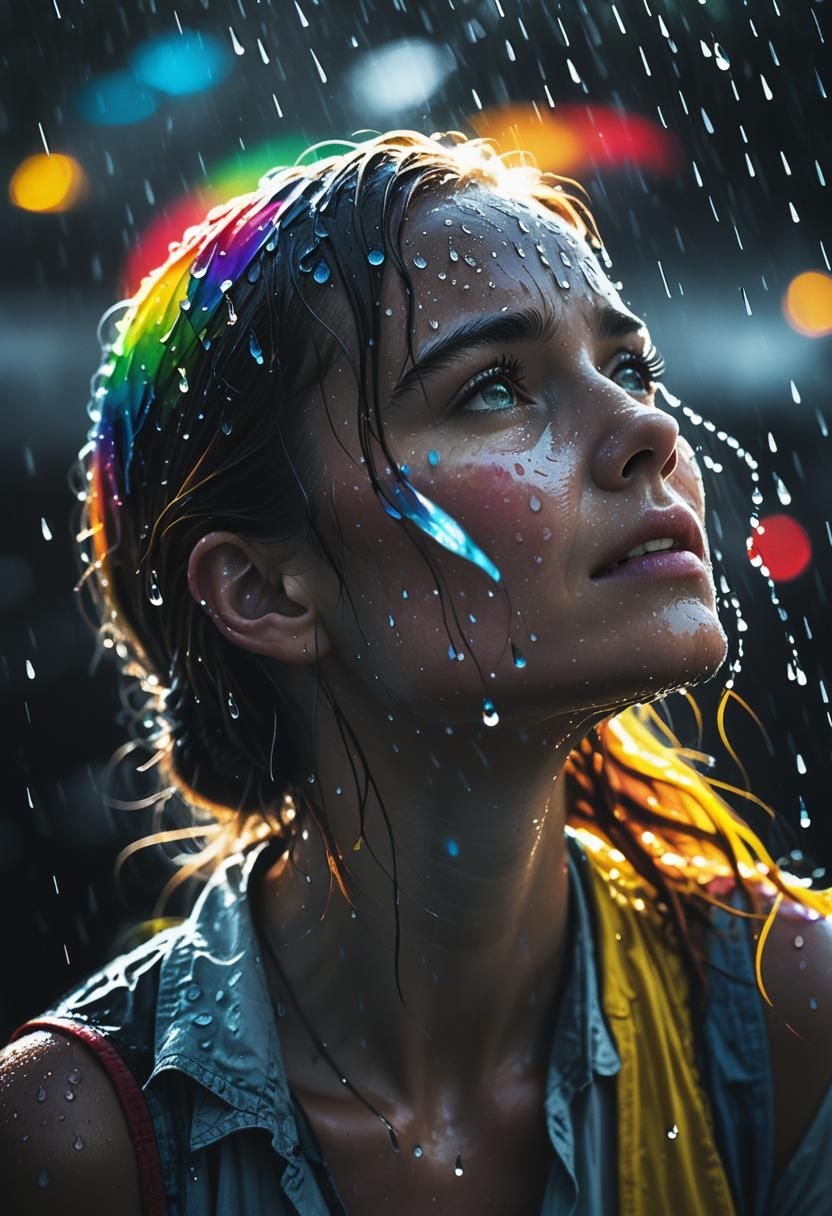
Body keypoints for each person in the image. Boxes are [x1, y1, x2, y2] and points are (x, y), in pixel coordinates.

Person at [2, 130, 831, 1216]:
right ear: (264, 590)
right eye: (493, 388)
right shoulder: (72, 1144)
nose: (647, 428)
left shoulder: (789, 1017)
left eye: (629, 366)